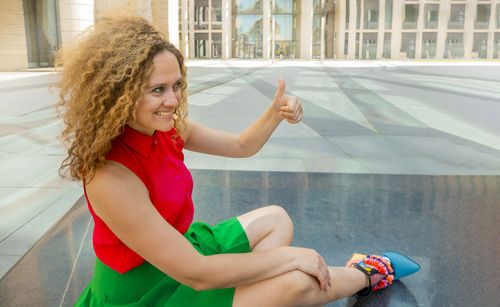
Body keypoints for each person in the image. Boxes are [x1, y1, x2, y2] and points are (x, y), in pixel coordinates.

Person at [56, 15, 396, 307]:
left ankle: (251, 294)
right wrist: (288, 258)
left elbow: (240, 145)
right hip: (145, 290)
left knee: (277, 219)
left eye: (177, 85)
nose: (173, 100)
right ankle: (365, 274)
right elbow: (197, 274)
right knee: (298, 283)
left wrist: (276, 113)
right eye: (157, 89)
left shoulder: (167, 130)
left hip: (182, 251)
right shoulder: (109, 175)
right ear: (121, 92)